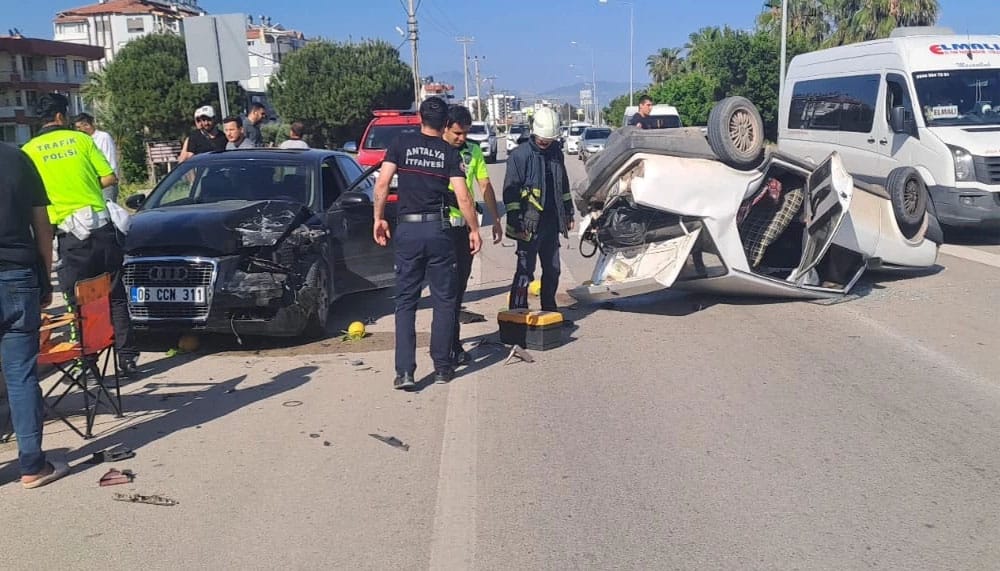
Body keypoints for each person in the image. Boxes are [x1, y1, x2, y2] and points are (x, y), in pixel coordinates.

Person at [22, 93, 140, 376]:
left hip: (69, 235)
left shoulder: (28, 151)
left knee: (78, 299)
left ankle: (87, 363)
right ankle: (126, 358)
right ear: (61, 116)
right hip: (101, 228)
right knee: (115, 294)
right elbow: (109, 177)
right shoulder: (83, 140)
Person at [373, 96, 482, 389]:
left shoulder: (401, 143)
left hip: (407, 231)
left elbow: (382, 184)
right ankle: (443, 367)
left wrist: (379, 218)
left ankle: (405, 372)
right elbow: (463, 196)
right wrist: (474, 229)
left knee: (406, 302)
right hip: (439, 231)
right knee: (444, 301)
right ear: (446, 123)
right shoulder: (449, 153)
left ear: (419, 118)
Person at [0, 143, 70, 489]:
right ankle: (32, 465)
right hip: (17, 276)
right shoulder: (16, 158)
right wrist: (45, 279)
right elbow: (43, 226)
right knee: (21, 375)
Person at [441, 105, 503, 366]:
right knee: (446, 290)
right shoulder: (435, 150)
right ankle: (449, 345)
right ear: (445, 127)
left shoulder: (472, 151)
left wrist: (495, 219)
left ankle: (449, 342)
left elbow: (484, 185)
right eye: (457, 133)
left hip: (464, 227)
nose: (462, 138)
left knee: (459, 287)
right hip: (439, 228)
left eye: (465, 133)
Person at [504, 106, 574, 312]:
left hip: (551, 223)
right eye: (543, 138)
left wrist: (568, 211)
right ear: (534, 132)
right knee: (525, 272)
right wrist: (516, 220)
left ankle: (550, 310)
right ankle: (518, 312)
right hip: (528, 224)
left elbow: (564, 186)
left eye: (549, 139)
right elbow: (511, 191)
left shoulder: (556, 154)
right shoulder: (520, 155)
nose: (545, 142)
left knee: (553, 270)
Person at [73, 113, 118, 203]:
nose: (78, 130)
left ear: (87, 125)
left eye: (79, 127)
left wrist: (109, 179)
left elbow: (110, 160)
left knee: (108, 210)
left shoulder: (103, 137)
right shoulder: (83, 140)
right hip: (92, 184)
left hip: (106, 183)